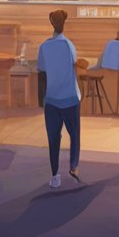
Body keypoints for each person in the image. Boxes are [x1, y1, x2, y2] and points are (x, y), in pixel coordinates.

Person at [38, 10, 82, 188]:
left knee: (53, 138)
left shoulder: (44, 46)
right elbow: (74, 64)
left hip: (52, 99)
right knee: (75, 135)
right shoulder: (69, 45)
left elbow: (42, 70)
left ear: (50, 23)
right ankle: (73, 167)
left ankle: (55, 175)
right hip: (70, 97)